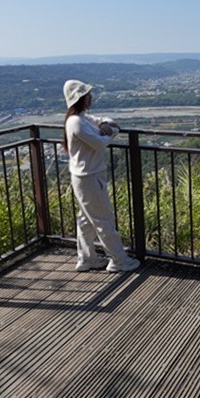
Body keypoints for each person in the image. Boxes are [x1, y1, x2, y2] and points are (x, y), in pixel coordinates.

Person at [62, 79, 140, 273]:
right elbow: (99, 143)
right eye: (88, 94)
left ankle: (87, 259)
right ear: (81, 98)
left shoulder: (82, 118)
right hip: (89, 177)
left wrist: (106, 123)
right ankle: (118, 260)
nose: (91, 97)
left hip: (84, 176)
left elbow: (104, 121)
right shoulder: (76, 122)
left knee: (86, 220)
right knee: (104, 219)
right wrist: (112, 133)